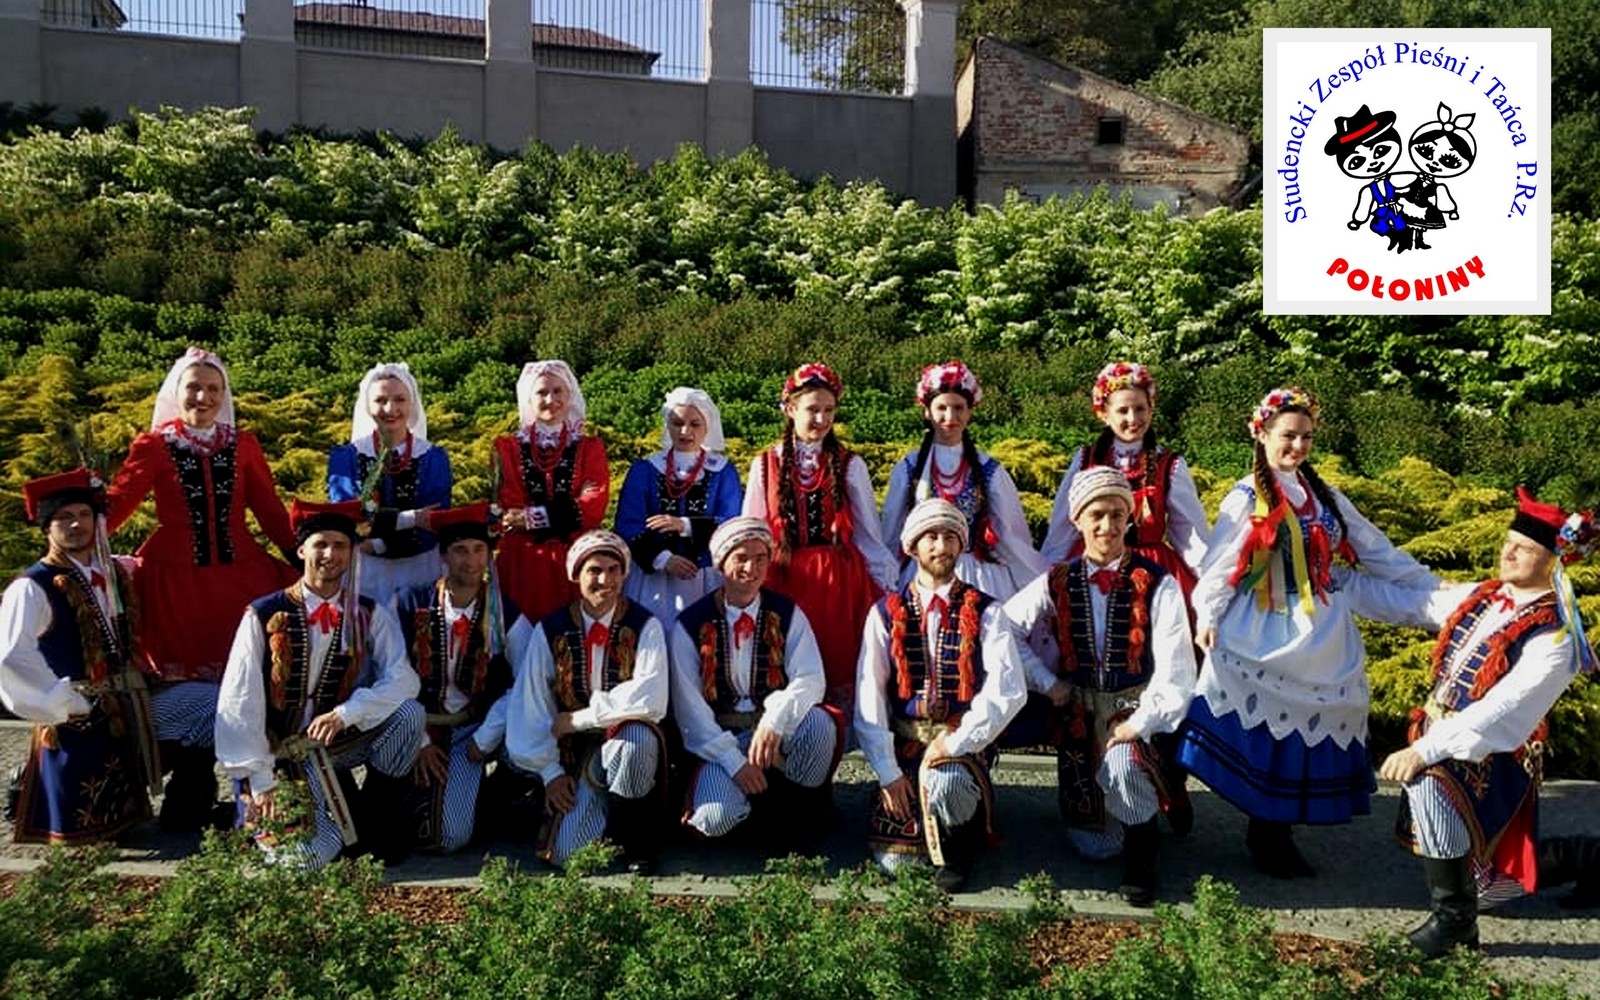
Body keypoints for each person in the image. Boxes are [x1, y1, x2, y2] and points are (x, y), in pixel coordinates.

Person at [1174, 387, 1432, 877]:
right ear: (1262, 434)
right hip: (1264, 626)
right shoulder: (1246, 496)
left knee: (1301, 734)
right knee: (1256, 730)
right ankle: (1258, 829)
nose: (1298, 446)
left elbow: (1376, 550)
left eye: (1306, 437)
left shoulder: (1324, 496)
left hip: (1324, 632)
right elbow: (1220, 566)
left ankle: (1275, 829)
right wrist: (1207, 616)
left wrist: (1429, 585)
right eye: (1288, 436)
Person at [1341, 489, 1600, 956]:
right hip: (1449, 740)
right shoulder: (1484, 597)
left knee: (1429, 780)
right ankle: (1591, 858)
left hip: (1493, 754)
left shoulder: (1555, 637)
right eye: (1508, 542)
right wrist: (1329, 580)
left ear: (1553, 562)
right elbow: (1409, 602)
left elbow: (1501, 708)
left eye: (1524, 548)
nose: (1508, 552)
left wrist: (1424, 750)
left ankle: (1455, 922)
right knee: (1489, 882)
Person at [105, 347, 298, 828]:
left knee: (245, 685)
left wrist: (304, 562)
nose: (203, 397)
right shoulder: (155, 445)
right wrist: (80, 534)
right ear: (178, 392)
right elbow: (118, 504)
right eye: (194, 387)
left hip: (240, 581)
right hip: (175, 584)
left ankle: (247, 796)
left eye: (213, 389)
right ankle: (188, 789)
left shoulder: (244, 445)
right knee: (195, 692)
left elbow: (269, 511)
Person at [1003, 468, 1199, 906]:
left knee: (1124, 767)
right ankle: (1129, 809)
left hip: (1135, 711)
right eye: (1096, 515)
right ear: (1077, 520)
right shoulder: (1059, 578)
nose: (1107, 526)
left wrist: (1140, 723)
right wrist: (1047, 682)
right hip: (1078, 717)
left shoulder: (1158, 582)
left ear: (1130, 518)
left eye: (1116, 514)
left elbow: (1177, 669)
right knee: (1097, 847)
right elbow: (1004, 627)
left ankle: (1144, 849)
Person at [1038, 361, 1208, 835]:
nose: (1133, 419)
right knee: (1092, 683)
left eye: (1140, 409)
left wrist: (1216, 596)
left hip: (1151, 579)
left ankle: (1167, 784)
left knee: (1159, 680)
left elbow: (1192, 537)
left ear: (1152, 409)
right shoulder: (1085, 460)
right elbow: (1060, 530)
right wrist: (1042, 583)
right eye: (1123, 410)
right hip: (1093, 571)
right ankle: (1095, 792)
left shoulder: (1170, 465)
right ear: (1104, 413)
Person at [214, 499, 426, 869]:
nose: (330, 554)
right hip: (279, 755)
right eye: (321, 544)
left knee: (410, 715)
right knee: (308, 860)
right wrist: (260, 780)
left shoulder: (368, 612)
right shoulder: (263, 614)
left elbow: (404, 679)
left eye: (340, 545)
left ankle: (371, 818)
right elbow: (238, 702)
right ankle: (255, 816)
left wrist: (347, 713)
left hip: (334, 743)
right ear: (301, 551)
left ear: (352, 552)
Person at [856, 498, 1027, 890]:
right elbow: (870, 693)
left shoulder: (987, 611)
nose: (941, 546)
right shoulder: (884, 613)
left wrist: (956, 741)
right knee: (896, 865)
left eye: (950, 537)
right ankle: (908, 802)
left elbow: (1008, 689)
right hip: (906, 744)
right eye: (930, 537)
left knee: (947, 782)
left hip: (960, 744)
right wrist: (887, 772)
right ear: (912, 546)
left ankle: (959, 838)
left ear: (961, 545)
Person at [2, 469, 159, 843]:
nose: (76, 525)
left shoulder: (111, 572)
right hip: (74, 709)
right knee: (77, 817)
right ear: (46, 528)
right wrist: (57, 700)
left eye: (84, 515)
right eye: (64, 518)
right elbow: (11, 655)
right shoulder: (32, 586)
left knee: (120, 815)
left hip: (118, 706)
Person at [504, 530, 670, 872]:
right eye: (594, 570)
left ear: (624, 575)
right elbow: (530, 704)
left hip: (620, 739)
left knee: (635, 740)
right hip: (572, 750)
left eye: (613, 570)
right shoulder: (551, 629)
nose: (605, 580)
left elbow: (651, 697)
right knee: (567, 857)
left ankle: (633, 839)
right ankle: (595, 817)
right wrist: (550, 773)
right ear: (576, 575)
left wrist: (579, 719)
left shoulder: (645, 625)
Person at [669, 517, 841, 844]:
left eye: (761, 558)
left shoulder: (787, 613)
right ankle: (753, 810)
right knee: (713, 819)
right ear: (721, 563)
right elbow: (690, 710)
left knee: (820, 725)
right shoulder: (690, 624)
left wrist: (774, 721)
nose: (751, 568)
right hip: (721, 738)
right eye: (741, 558)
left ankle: (798, 813)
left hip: (773, 733)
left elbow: (810, 678)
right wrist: (734, 763)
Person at [743, 362, 896, 723]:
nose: (822, 419)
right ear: (790, 409)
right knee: (786, 662)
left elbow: (869, 535)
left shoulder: (849, 464)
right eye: (813, 409)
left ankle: (835, 739)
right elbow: (752, 529)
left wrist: (888, 585)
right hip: (784, 580)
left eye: (829, 410)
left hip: (837, 583)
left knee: (838, 659)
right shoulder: (765, 464)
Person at [394, 503, 531, 853]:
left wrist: (486, 737)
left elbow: (528, 681)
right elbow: (389, 674)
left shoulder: (505, 612)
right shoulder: (408, 603)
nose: (470, 561)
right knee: (437, 835)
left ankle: (492, 800)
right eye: (459, 550)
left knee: (452, 836)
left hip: (474, 726)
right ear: (443, 556)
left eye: (478, 550)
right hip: (419, 723)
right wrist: (420, 739)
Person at [881, 361, 1045, 602]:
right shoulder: (908, 469)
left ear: (970, 411)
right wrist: (885, 579)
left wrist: (1039, 581)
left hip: (979, 577)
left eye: (958, 408)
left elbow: (1011, 537)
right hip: (923, 573)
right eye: (941, 408)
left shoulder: (990, 471)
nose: (950, 417)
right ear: (927, 411)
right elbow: (892, 534)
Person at [616, 386, 743, 630]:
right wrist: (663, 559)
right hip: (653, 575)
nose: (685, 431)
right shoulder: (645, 469)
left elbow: (732, 522)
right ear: (667, 424)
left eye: (695, 424)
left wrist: (684, 525)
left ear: (707, 427)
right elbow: (628, 523)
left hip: (705, 576)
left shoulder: (722, 470)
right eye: (677, 423)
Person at [493, 360, 609, 625]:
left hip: (575, 556)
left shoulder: (589, 448)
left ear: (570, 395)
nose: (550, 400)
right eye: (542, 392)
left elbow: (592, 507)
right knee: (519, 633)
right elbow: (509, 505)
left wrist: (531, 517)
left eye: (558, 391)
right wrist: (567, 509)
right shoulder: (508, 448)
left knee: (572, 632)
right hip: (524, 559)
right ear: (528, 398)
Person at [328, 362, 452, 603]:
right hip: (365, 571)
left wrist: (375, 542)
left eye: (400, 400)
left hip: (420, 567)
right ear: (367, 405)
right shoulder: (347, 458)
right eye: (380, 400)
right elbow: (348, 518)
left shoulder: (433, 458)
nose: (390, 408)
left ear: (412, 404)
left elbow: (433, 522)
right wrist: (411, 518)